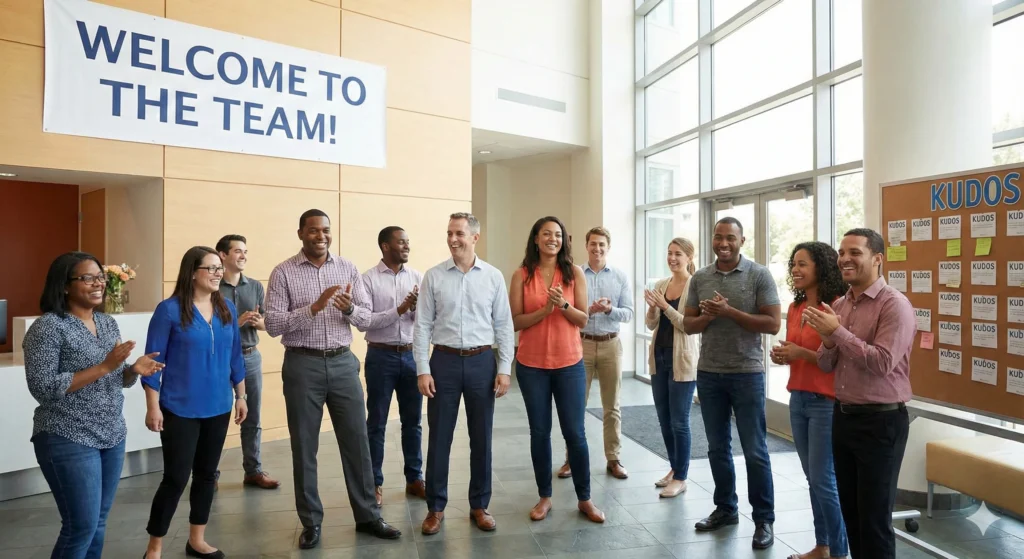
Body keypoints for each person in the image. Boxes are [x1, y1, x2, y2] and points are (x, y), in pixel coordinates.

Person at [264, 209, 402, 549]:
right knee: (305, 447)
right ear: (301, 234)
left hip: (343, 364)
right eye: (313, 231)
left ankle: (368, 515)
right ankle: (311, 522)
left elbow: (366, 319)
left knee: (358, 443)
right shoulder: (283, 273)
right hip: (302, 366)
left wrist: (348, 309)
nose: (321, 236)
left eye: (325, 230)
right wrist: (313, 307)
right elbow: (273, 325)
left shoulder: (348, 268)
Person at [22, 252, 163, 559]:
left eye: (100, 277)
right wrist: (104, 366)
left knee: (97, 523)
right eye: (88, 278)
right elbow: (43, 388)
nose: (98, 283)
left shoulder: (106, 322)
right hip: (66, 435)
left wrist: (132, 370)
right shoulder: (48, 328)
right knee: (80, 526)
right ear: (64, 286)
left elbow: (116, 378)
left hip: (111, 433)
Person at [804, 228, 915, 559]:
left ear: (877, 259)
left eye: (854, 252)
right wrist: (827, 339)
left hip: (881, 423)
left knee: (874, 519)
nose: (844, 259)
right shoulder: (840, 304)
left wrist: (835, 331)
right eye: (841, 252)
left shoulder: (894, 305)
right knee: (851, 514)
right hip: (844, 417)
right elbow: (827, 363)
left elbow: (882, 363)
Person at [142, 246, 249, 559]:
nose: (218, 273)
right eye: (211, 268)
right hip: (179, 408)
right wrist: (153, 405)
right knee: (175, 477)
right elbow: (152, 363)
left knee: (206, 475)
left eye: (220, 268)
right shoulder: (169, 310)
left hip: (219, 406)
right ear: (192, 273)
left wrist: (241, 395)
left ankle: (197, 539)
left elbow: (234, 358)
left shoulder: (227, 308)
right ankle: (155, 546)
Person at [414, 212, 515, 535]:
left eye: (459, 233)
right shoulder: (433, 276)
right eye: (449, 233)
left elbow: (504, 326)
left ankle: (479, 505)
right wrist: (422, 369)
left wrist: (504, 369)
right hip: (442, 362)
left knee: (481, 437)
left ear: (475, 238)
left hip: (481, 362)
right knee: (439, 437)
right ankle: (436, 507)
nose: (453, 239)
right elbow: (422, 327)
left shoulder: (493, 276)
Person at [683, 217, 781, 550]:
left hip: (747, 374)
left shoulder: (759, 275)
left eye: (730, 238)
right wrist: (710, 316)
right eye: (718, 237)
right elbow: (688, 324)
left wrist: (729, 312)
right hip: (709, 373)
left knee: (755, 451)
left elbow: (772, 324)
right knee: (717, 448)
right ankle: (726, 508)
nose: (723, 243)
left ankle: (764, 519)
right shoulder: (700, 277)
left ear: (742, 240)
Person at [510, 216, 605, 523]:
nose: (553, 239)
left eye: (558, 235)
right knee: (540, 433)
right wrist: (545, 310)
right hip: (531, 365)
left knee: (575, 433)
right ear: (535, 239)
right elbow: (515, 322)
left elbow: (582, 320)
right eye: (546, 234)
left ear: (564, 240)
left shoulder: (574, 272)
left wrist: (562, 305)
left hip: (569, 365)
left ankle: (585, 498)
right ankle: (545, 497)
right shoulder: (521, 275)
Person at [769, 242, 850, 559]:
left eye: (802, 264)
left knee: (823, 480)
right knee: (813, 479)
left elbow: (840, 357)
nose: (795, 270)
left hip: (825, 402)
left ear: (821, 267)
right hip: (798, 398)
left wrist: (801, 353)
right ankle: (823, 546)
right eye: (793, 264)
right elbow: (797, 351)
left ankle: (839, 551)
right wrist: (784, 355)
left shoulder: (837, 307)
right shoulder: (795, 307)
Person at [557, 226, 633, 481]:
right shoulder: (574, 275)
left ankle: (614, 458)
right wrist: (587, 309)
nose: (597, 248)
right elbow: (567, 313)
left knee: (612, 407)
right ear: (586, 246)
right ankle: (571, 460)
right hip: (582, 345)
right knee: (575, 406)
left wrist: (611, 310)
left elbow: (629, 314)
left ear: (607, 247)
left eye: (602, 244)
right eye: (593, 244)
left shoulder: (620, 277)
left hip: (611, 344)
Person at [357, 226, 425, 506]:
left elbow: (424, 321)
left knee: (414, 422)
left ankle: (414, 478)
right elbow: (366, 321)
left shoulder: (418, 277)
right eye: (401, 242)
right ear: (385, 246)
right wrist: (399, 308)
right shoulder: (368, 279)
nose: (407, 246)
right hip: (381, 357)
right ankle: (374, 482)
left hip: (411, 356)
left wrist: (414, 309)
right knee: (377, 423)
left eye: (408, 242)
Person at [214, 234, 279, 490]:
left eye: (245, 252)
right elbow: (205, 325)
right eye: (238, 251)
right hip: (218, 359)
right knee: (216, 416)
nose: (243, 256)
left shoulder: (255, 286)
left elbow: (267, 324)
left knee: (252, 417)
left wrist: (256, 322)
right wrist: (235, 322)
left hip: (250, 356)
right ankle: (210, 475)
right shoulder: (212, 287)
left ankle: (253, 471)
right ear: (222, 255)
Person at [643, 238, 699, 499]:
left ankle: (681, 476)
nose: (672, 258)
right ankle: (674, 467)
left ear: (689, 257)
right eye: (669, 253)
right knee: (664, 419)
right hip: (660, 358)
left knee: (679, 421)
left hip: (683, 361)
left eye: (678, 254)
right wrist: (654, 308)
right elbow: (651, 325)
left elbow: (688, 325)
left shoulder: (695, 286)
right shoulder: (661, 285)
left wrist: (665, 306)